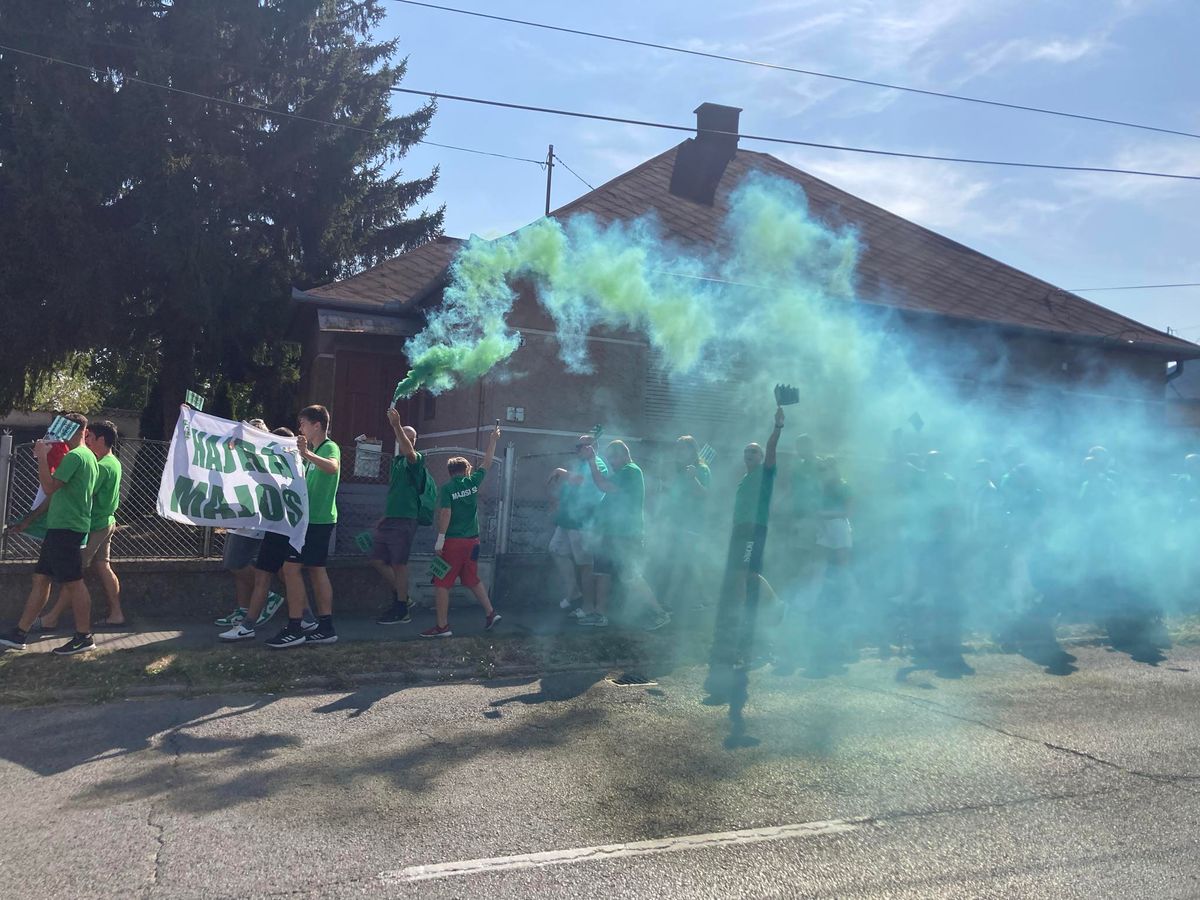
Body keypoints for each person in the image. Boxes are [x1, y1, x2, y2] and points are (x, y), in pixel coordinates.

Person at [219, 406, 340, 647]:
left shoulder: (328, 447)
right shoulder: (312, 451)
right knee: (308, 570)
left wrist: (306, 455)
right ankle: (317, 625)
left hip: (316, 520)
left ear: (317, 425)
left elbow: (332, 467)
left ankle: (299, 626)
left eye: (303, 423)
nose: (300, 428)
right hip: (300, 521)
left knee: (294, 570)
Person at [0, 413, 99, 655]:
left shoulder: (76, 456)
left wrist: (42, 457)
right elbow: (55, 495)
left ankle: (84, 637)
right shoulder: (86, 457)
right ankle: (20, 633)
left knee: (74, 583)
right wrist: (28, 521)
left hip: (68, 528)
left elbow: (49, 487)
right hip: (61, 527)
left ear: (72, 431)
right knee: (41, 578)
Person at [37, 420, 126, 630]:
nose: (86, 440)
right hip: (107, 521)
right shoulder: (114, 462)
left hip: (94, 524)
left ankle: (52, 617)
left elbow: (81, 491)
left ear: (101, 439)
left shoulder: (101, 465)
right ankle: (116, 613)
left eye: (90, 437)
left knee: (74, 575)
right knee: (103, 566)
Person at [421, 423, 502, 638]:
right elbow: (486, 462)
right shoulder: (473, 482)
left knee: (441, 583)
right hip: (473, 542)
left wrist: (440, 540)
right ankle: (490, 613)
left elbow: (445, 513)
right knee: (472, 579)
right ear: (466, 470)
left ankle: (442, 627)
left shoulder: (447, 488)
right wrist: (493, 440)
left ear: (449, 472)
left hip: (453, 542)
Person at [581, 439, 671, 630]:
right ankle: (600, 614)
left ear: (623, 454)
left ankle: (659, 613)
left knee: (631, 576)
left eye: (612, 457)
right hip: (611, 533)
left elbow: (603, 485)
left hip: (626, 534)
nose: (611, 462)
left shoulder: (631, 470)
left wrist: (592, 461)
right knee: (603, 573)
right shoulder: (623, 472)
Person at [213, 420, 287, 630]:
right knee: (237, 563)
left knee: (235, 563)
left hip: (252, 521)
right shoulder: (241, 452)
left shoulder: (265, 456)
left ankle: (269, 596)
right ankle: (243, 608)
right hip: (237, 518)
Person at [374, 406, 430, 625]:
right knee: (378, 560)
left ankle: (401, 610)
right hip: (391, 519)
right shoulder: (396, 463)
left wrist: (397, 425)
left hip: (406, 519)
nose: (402, 438)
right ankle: (403, 598)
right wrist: (384, 517)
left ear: (414, 440)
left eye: (408, 437)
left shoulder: (416, 460)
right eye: (400, 435)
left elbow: (409, 452)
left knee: (399, 564)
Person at [547, 434, 606, 617]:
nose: (576, 450)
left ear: (591, 447)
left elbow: (584, 481)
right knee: (555, 549)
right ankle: (573, 591)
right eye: (576, 446)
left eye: (580, 446)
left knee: (585, 564)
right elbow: (571, 486)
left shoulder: (598, 463)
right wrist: (557, 504)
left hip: (582, 522)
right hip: (567, 520)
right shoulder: (581, 463)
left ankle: (587, 607)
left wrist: (560, 471)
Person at [652, 435, 711, 610]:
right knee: (679, 560)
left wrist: (693, 478)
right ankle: (697, 599)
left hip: (691, 523)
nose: (677, 451)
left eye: (681, 448)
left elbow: (704, 495)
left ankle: (692, 599)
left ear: (692, 450)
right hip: (676, 521)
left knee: (685, 561)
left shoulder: (701, 469)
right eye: (676, 448)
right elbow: (676, 496)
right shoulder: (679, 470)